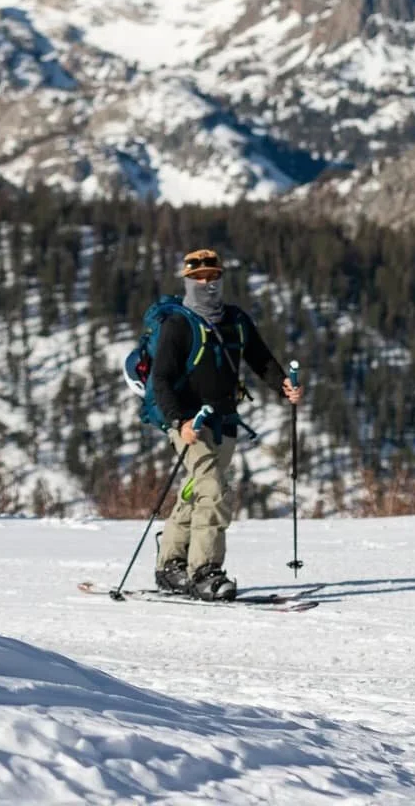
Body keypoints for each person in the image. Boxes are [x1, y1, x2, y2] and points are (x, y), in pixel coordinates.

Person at [153, 248, 303, 602]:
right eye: (200, 278)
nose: (207, 283)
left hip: (226, 423)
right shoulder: (177, 325)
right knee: (214, 492)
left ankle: (170, 564)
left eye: (213, 276)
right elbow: (161, 379)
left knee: (198, 491)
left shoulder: (235, 320)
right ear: (188, 281)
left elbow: (261, 359)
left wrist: (284, 387)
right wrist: (180, 421)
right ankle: (205, 571)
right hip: (191, 425)